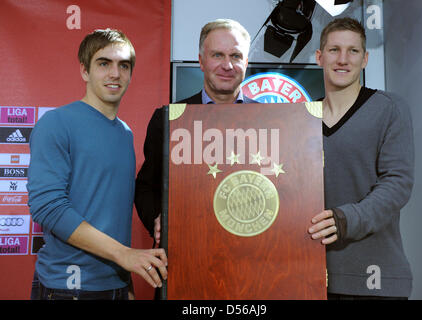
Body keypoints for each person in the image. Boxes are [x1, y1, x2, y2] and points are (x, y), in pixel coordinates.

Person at [27, 29, 167, 300]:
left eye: (123, 65)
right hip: (66, 288)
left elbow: (111, 215)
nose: (115, 74)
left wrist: (124, 280)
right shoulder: (56, 123)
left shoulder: (125, 133)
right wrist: (124, 255)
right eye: (104, 63)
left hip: (114, 284)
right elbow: (48, 207)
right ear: (84, 71)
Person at [308, 17, 414, 299]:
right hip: (308, 277)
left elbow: (397, 184)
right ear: (319, 57)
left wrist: (346, 219)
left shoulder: (389, 109)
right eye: (334, 50)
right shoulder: (298, 119)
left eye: (353, 51)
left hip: (373, 278)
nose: (343, 59)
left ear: (365, 59)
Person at [135, 19, 257, 244]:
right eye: (217, 55)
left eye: (236, 56)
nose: (227, 65)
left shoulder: (273, 121)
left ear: (246, 62)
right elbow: (146, 187)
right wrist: (157, 219)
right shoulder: (167, 119)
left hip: (253, 254)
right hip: (186, 251)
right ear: (201, 61)